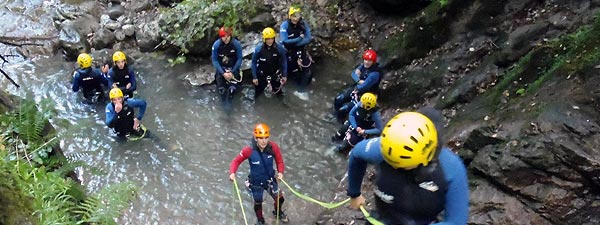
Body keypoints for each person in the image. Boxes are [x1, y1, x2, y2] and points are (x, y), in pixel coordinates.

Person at [346, 111, 469, 225]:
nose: (394, 166)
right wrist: (354, 193)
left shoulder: (451, 169)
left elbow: (456, 221)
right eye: (391, 161)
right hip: (382, 218)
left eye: (402, 165)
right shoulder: (387, 147)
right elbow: (357, 155)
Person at [229, 123, 289, 224]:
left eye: (266, 138)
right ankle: (260, 220)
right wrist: (232, 173)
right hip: (256, 182)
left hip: (270, 179)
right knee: (258, 203)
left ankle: (278, 212)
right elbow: (236, 161)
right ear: (256, 138)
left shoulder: (273, 147)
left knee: (280, 198)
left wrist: (280, 172)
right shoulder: (249, 150)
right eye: (261, 138)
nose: (264, 141)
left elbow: (280, 161)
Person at [334, 49, 381, 120]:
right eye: (365, 60)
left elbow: (364, 86)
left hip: (365, 95)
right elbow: (353, 74)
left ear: (373, 62)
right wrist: (358, 80)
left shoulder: (374, 74)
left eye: (369, 61)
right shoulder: (363, 66)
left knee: (342, 110)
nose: (366, 62)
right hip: (357, 88)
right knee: (338, 99)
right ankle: (336, 115)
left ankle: (341, 122)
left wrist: (358, 81)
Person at [280, 6, 313, 101]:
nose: (296, 18)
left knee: (308, 72)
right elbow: (285, 41)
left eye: (297, 16)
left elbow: (308, 38)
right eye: (293, 16)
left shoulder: (303, 24)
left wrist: (296, 43)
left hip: (301, 51)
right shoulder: (285, 26)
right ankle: (298, 90)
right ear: (290, 16)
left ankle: (301, 90)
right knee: (295, 74)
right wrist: (299, 39)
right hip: (289, 53)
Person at [211, 26, 243, 111]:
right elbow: (214, 60)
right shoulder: (217, 45)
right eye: (224, 37)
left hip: (233, 69)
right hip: (222, 70)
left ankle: (230, 105)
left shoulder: (236, 44)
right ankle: (224, 106)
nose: (226, 39)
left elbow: (240, 58)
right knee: (222, 90)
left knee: (232, 90)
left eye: (227, 36)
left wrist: (232, 72)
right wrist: (223, 73)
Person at [251, 27, 288, 100]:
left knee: (279, 93)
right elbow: (253, 62)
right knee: (257, 93)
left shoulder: (279, 48)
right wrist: (254, 77)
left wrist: (284, 75)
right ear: (264, 39)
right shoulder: (259, 49)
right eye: (268, 39)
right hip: (262, 75)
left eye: (272, 38)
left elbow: (284, 61)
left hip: (275, 74)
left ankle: (282, 105)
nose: (270, 41)